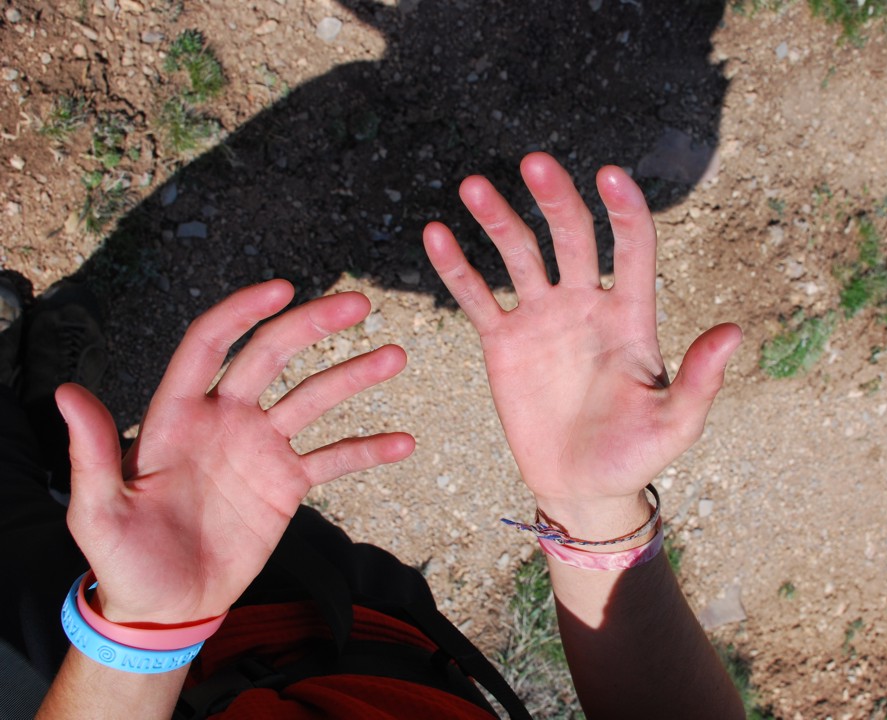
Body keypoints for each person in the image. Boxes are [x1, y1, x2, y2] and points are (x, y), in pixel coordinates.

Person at [3, 153, 745, 719]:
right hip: (371, 633)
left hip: (107, 678)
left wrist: (144, 633)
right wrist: (591, 512)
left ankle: (29, 415)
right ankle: (48, 417)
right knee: (144, 481)